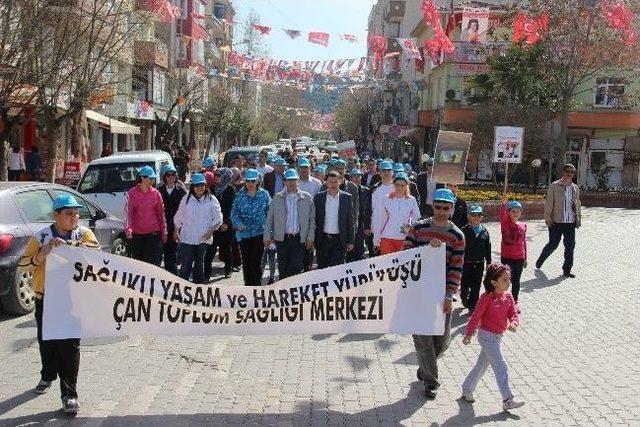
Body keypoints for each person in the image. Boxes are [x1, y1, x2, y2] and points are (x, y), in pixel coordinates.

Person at [18, 194, 100, 414]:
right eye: (69, 213)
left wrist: (69, 244)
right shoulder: (41, 236)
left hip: (73, 300)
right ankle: (47, 374)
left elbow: (96, 254)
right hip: (45, 299)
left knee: (69, 348)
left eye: (76, 213)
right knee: (47, 343)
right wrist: (41, 256)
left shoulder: (84, 233)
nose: (75, 217)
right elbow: (23, 265)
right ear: (56, 215)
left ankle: (69, 395)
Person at [404, 188, 465, 400]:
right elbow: (406, 257)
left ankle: (424, 368)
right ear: (433, 206)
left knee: (442, 339)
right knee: (423, 341)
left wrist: (449, 295)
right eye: (437, 207)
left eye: (445, 208)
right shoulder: (418, 228)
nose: (441, 211)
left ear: (451, 209)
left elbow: (456, 269)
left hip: (441, 294)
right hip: (419, 292)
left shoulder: (457, 235)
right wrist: (427, 251)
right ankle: (431, 382)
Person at [461, 263, 525, 411]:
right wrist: (469, 333)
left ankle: (467, 388)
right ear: (493, 282)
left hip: (498, 336)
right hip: (486, 336)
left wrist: (514, 323)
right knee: (500, 366)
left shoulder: (508, 297)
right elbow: (476, 316)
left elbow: (513, 313)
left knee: (482, 365)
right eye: (504, 280)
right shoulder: (486, 298)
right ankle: (508, 399)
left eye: (509, 279)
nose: (508, 282)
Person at [264, 168, 315, 280]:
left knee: (296, 267)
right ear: (284, 181)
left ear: (298, 181)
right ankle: (284, 294)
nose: (291, 182)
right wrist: (267, 236)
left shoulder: (307, 197)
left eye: (294, 180)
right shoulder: (277, 197)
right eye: (288, 180)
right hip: (282, 239)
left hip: (299, 239)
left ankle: (294, 293)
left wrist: (310, 238)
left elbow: (312, 220)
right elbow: (269, 219)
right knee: (283, 268)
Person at [174, 173, 223, 284]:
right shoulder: (186, 199)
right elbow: (179, 216)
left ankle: (197, 290)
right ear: (193, 187)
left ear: (205, 186)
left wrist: (210, 231)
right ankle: (182, 288)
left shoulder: (212, 199)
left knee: (199, 264)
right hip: (187, 238)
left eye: (202, 185)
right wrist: (175, 231)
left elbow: (218, 218)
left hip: (203, 238)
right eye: (197, 185)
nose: (199, 188)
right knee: (186, 264)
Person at [536, 163, 581, 278]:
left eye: (572, 172)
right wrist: (547, 218)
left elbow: (577, 204)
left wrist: (578, 218)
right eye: (567, 171)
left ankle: (567, 269)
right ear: (563, 172)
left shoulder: (575, 188)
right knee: (553, 244)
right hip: (556, 221)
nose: (569, 174)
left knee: (570, 246)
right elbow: (549, 203)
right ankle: (541, 259)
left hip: (570, 222)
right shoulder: (554, 186)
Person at [231, 169, 271, 286]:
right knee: (247, 263)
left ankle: (257, 288)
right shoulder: (240, 195)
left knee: (255, 262)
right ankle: (248, 288)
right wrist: (238, 224)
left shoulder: (264, 194)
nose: (250, 183)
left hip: (259, 234)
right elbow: (234, 213)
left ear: (258, 181)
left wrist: (270, 231)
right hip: (244, 235)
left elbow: (270, 213)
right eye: (247, 180)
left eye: (253, 181)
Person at [124, 166, 167, 266]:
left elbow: (161, 214)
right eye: (150, 178)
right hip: (137, 234)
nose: (152, 180)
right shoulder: (132, 193)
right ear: (142, 178)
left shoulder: (156, 194)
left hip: (153, 233)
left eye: (153, 178)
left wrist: (164, 231)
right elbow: (128, 212)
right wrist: (128, 228)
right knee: (139, 264)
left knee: (153, 263)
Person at [314, 171, 354, 268]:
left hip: (339, 240)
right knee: (322, 270)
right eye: (331, 182)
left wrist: (351, 241)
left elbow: (350, 221)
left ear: (340, 182)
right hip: (322, 240)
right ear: (326, 183)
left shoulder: (346, 198)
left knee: (336, 270)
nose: (333, 184)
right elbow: (314, 219)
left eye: (335, 182)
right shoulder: (319, 197)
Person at [376, 172, 420, 255]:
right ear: (393, 184)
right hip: (387, 237)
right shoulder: (386, 199)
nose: (399, 187)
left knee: (402, 267)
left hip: (404, 238)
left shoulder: (411, 200)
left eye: (402, 185)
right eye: (397, 185)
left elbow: (417, 218)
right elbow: (380, 219)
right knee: (387, 266)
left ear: (406, 185)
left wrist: (409, 227)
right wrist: (377, 239)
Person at [204, 167, 235, 280]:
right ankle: (206, 275)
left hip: (225, 225)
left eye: (219, 175)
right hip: (213, 225)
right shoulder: (210, 188)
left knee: (226, 249)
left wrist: (226, 223)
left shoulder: (230, 189)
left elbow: (231, 208)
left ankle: (228, 270)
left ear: (225, 177)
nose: (216, 177)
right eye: (215, 175)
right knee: (209, 252)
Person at [460, 204, 492, 312]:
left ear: (482, 217)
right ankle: (464, 297)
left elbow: (488, 247)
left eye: (479, 215)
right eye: (473, 215)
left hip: (479, 263)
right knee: (464, 285)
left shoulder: (485, 231)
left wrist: (488, 262)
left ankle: (473, 307)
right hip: (466, 263)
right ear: (469, 216)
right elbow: (459, 246)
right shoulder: (464, 230)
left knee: (476, 286)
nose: (476, 217)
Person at [158, 165, 187, 275]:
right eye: (168, 175)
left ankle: (173, 279)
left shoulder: (181, 191)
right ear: (164, 177)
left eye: (173, 175)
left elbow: (185, 210)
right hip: (162, 226)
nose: (171, 177)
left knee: (173, 255)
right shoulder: (158, 191)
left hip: (176, 227)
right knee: (163, 254)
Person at [500, 198, 527, 304]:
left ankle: (514, 301)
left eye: (518, 211)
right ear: (508, 212)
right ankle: (502, 298)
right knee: (506, 279)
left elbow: (524, 243)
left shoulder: (523, 226)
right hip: (507, 257)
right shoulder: (505, 223)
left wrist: (525, 257)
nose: (516, 213)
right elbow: (502, 215)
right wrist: (504, 204)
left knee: (516, 281)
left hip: (519, 258)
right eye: (513, 211)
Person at [370, 161, 397, 255]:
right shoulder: (374, 188)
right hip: (378, 229)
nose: (386, 173)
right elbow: (370, 210)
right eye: (383, 170)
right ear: (380, 172)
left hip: (394, 230)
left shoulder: (398, 188)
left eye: (388, 170)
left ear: (392, 172)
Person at [346, 168, 371, 262]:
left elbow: (368, 209)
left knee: (360, 250)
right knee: (349, 250)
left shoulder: (366, 191)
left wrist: (367, 226)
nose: (357, 179)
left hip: (360, 223)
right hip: (348, 223)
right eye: (355, 177)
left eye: (359, 177)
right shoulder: (345, 190)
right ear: (350, 178)